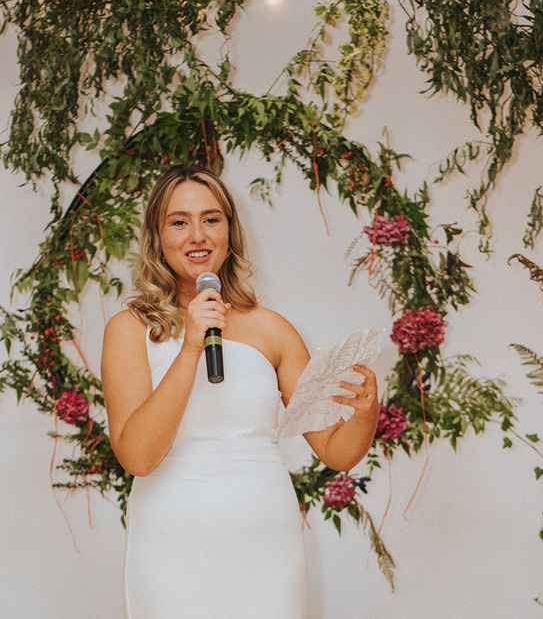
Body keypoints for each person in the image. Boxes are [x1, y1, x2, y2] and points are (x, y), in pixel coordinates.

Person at [101, 165, 380, 618]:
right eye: (179, 221)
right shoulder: (129, 330)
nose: (197, 235)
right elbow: (138, 457)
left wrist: (366, 413)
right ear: (157, 235)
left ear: (230, 231)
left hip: (264, 537)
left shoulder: (273, 330)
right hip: (171, 540)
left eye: (211, 219)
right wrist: (191, 346)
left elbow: (334, 450)